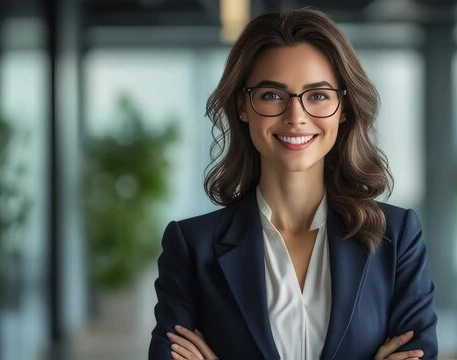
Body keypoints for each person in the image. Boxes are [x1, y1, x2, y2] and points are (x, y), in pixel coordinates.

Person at [149, 8, 437, 360]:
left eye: (318, 95)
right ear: (243, 105)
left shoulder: (397, 237)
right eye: (272, 95)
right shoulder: (192, 248)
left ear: (343, 108)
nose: (296, 116)